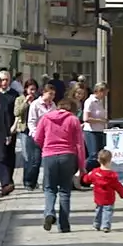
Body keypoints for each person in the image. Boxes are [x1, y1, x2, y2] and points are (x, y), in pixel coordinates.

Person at [33, 92, 83, 233]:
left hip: (49, 155)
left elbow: (37, 138)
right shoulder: (73, 120)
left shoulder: (46, 118)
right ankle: (64, 225)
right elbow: (79, 144)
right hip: (68, 155)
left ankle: (49, 212)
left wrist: (46, 146)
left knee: (49, 188)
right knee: (65, 191)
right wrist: (81, 166)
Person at [81, 149, 123, 232]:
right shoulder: (112, 175)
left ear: (98, 160)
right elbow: (118, 186)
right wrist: (122, 194)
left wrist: (86, 175)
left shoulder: (95, 172)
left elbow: (86, 180)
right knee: (108, 212)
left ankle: (96, 225)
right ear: (110, 161)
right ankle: (106, 225)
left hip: (98, 197)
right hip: (109, 198)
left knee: (98, 211)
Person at [23, 80, 53, 191]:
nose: (52, 97)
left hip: (48, 136)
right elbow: (31, 121)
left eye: (53, 94)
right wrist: (36, 134)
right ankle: (30, 182)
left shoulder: (52, 105)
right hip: (36, 136)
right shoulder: (35, 104)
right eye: (50, 94)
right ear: (44, 93)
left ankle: (47, 183)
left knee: (47, 161)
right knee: (35, 161)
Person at [81, 83, 110, 171]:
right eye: (104, 93)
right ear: (99, 91)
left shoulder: (99, 102)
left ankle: (94, 176)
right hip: (91, 131)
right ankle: (81, 171)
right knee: (93, 155)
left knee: (99, 156)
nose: (105, 95)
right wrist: (102, 121)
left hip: (100, 130)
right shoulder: (90, 101)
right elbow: (86, 118)